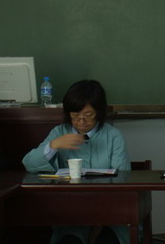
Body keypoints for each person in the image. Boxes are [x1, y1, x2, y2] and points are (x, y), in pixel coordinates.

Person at [23, 79, 130, 244]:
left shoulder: (113, 136)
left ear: (99, 112)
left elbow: (123, 180)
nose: (81, 121)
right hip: (70, 215)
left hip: (110, 216)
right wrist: (54, 145)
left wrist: (99, 224)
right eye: (75, 116)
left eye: (88, 115)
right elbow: (29, 163)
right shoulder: (59, 132)